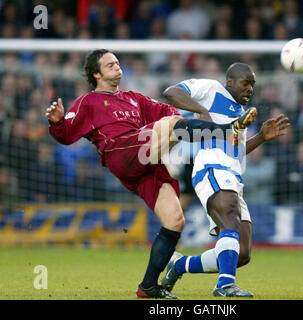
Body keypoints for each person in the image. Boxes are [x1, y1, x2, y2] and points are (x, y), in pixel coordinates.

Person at [45, 49, 257, 299]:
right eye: (110, 65)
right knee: (170, 127)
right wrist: (57, 122)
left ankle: (148, 286)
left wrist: (187, 119)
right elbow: (66, 136)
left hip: (145, 161)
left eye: (118, 63)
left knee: (175, 220)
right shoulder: (87, 102)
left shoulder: (134, 98)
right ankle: (226, 130)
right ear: (96, 74)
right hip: (120, 150)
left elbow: (171, 113)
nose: (117, 67)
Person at [161, 62, 290, 297]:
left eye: (253, 85)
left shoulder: (242, 114)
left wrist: (261, 137)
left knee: (241, 253)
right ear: (230, 81)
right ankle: (225, 286)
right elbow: (171, 92)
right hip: (210, 166)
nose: (250, 89)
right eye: (245, 83)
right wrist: (200, 110)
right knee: (229, 218)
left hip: (233, 175)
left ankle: (178, 265)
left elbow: (237, 151)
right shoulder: (211, 90)